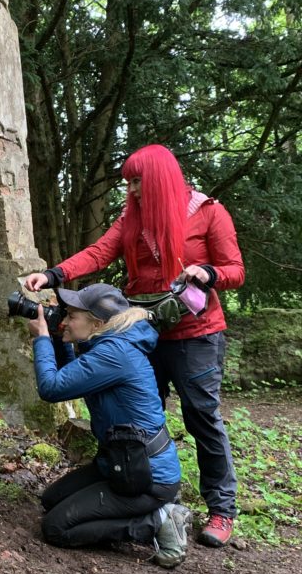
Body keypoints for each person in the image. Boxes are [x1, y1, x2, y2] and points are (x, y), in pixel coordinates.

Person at [25, 144, 244, 548]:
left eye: (138, 181)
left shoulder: (209, 212)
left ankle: (221, 510)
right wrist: (55, 274)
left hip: (196, 334)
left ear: (159, 179)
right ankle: (146, 490)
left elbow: (235, 270)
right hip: (144, 332)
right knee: (139, 415)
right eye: (129, 182)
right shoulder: (132, 218)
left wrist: (208, 272)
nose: (133, 189)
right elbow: (99, 252)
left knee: (202, 417)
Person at [29, 283, 189, 567]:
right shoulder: (109, 345)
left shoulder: (114, 354)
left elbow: (51, 388)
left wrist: (41, 338)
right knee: (52, 500)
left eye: (72, 316)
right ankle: (149, 513)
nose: (64, 320)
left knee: (56, 527)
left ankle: (158, 520)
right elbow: (70, 376)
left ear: (98, 323)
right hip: (121, 465)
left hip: (147, 477)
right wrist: (59, 340)